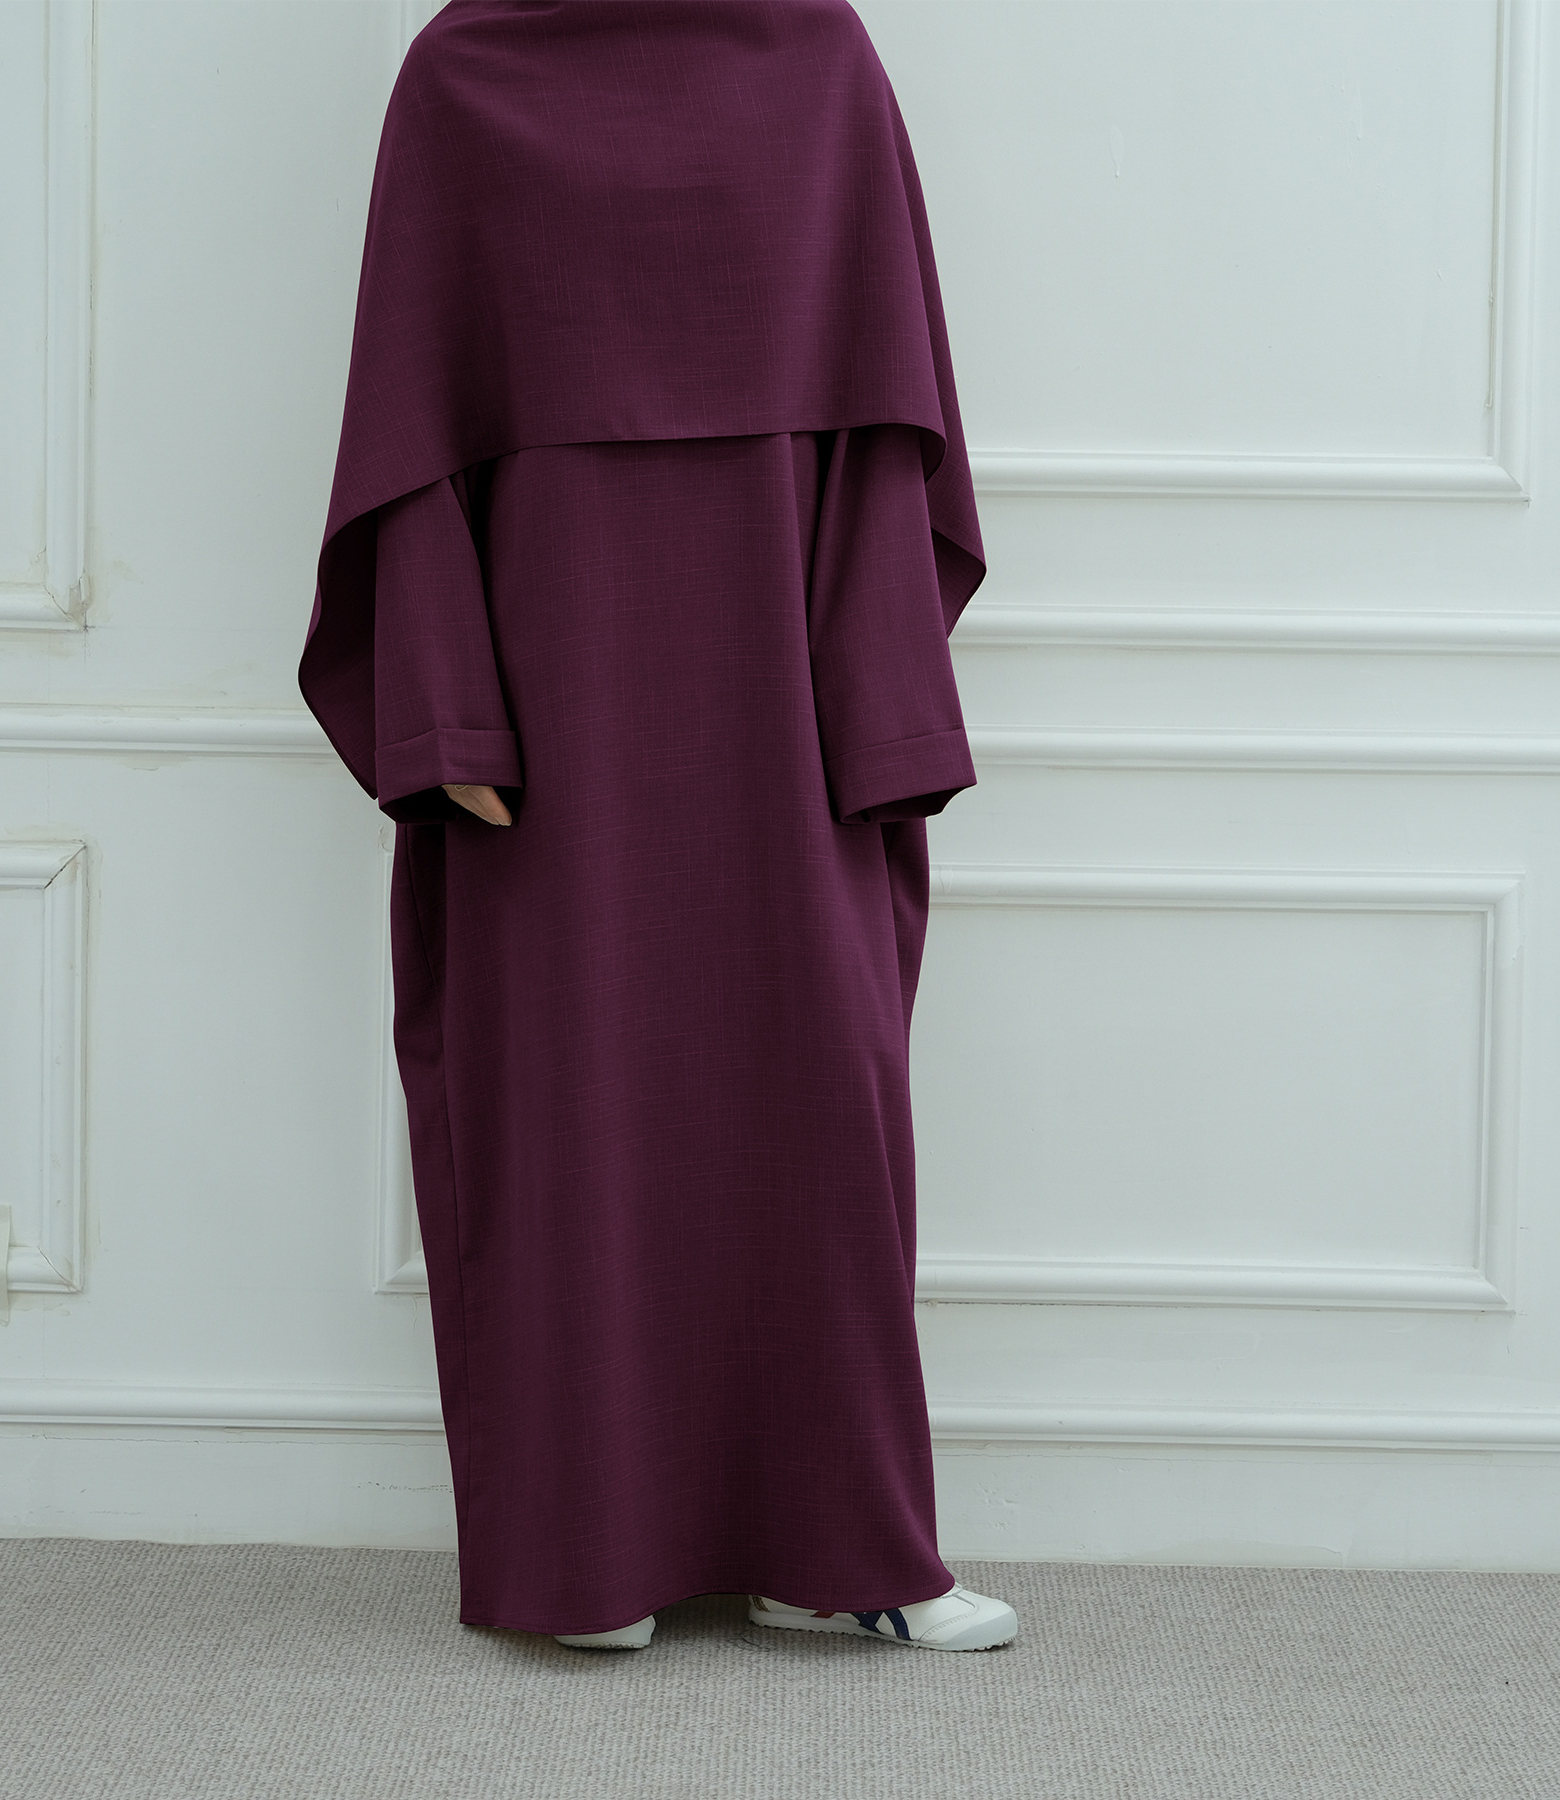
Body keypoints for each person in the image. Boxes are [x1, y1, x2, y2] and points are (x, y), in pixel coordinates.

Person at [300, 0, 1018, 1655]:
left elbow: (886, 419)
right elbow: (408, 431)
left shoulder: (818, 60)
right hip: (549, 709)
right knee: (567, 1114)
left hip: (792, 683)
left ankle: (844, 1556)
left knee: (822, 1103)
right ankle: (586, 1561)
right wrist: (444, 711)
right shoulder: (463, 73)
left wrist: (881, 705)